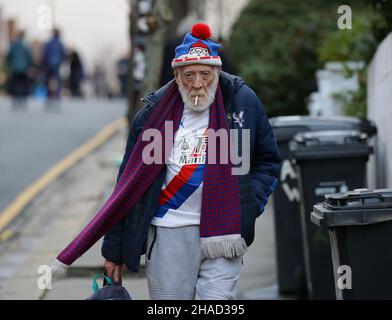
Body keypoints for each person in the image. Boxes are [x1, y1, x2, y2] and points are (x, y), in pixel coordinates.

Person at [51, 23, 281, 300]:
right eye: (189, 75)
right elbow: (127, 186)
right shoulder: (152, 115)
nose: (197, 84)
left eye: (205, 74)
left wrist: (246, 205)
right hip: (168, 232)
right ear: (176, 75)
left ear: (217, 72)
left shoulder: (242, 103)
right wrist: (113, 251)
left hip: (224, 234)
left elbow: (267, 161)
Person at [6, 31, 32, 111]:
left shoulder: (13, 45)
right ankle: (23, 100)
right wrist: (30, 66)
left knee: (15, 85)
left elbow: (9, 56)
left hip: (14, 68)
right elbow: (29, 58)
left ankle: (15, 101)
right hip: (23, 69)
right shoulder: (25, 46)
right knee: (24, 85)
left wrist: (10, 64)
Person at [42, 29, 65, 111]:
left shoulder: (48, 43)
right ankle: (57, 98)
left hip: (48, 65)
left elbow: (44, 54)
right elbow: (63, 54)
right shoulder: (60, 43)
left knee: (48, 82)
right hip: (57, 65)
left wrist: (44, 64)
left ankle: (48, 99)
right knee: (57, 82)